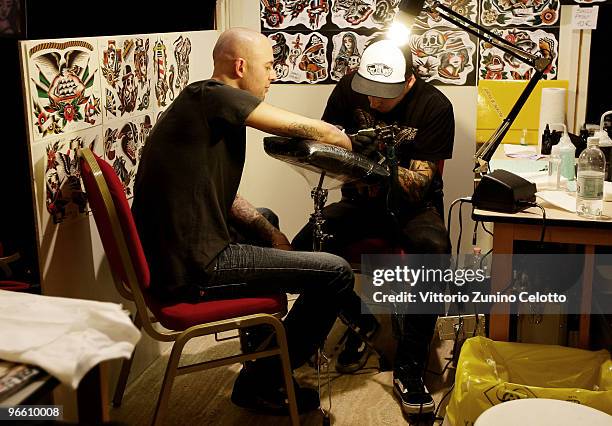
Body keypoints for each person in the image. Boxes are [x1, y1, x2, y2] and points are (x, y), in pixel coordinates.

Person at [131, 27, 375, 416]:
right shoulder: (212, 96)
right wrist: (343, 140)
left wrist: (272, 233)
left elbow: (224, 201)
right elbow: (308, 129)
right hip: (196, 264)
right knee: (336, 273)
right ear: (241, 66)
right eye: (269, 66)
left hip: (180, 251)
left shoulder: (200, 104)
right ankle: (264, 377)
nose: (273, 75)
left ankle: (264, 357)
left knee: (266, 218)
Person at [293, 39, 454, 415]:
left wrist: (374, 160)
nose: (374, 102)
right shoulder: (348, 89)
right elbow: (327, 143)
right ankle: (359, 319)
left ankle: (409, 368)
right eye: (369, 91)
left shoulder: (435, 106)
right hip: (360, 202)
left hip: (416, 207)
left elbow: (419, 184)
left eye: (385, 96)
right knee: (303, 249)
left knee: (434, 251)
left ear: (409, 82)